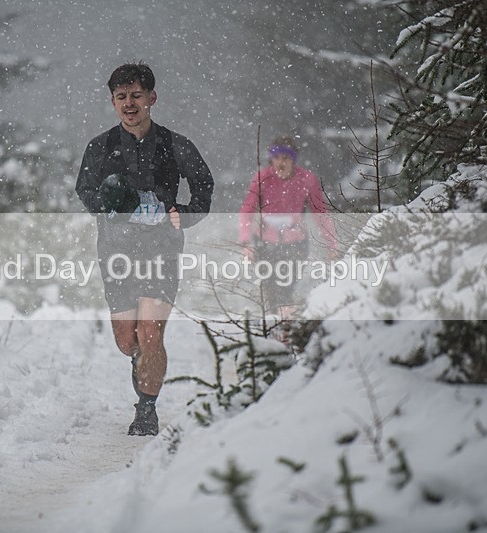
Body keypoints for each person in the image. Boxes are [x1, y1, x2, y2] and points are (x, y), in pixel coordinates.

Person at [75, 62, 214, 436]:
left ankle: (147, 409)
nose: (129, 103)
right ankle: (142, 363)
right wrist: (111, 206)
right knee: (128, 340)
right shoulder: (100, 147)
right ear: (113, 102)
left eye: (136, 95)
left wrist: (183, 215)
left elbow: (204, 185)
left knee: (151, 334)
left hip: (161, 249)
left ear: (152, 98)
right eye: (121, 97)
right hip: (116, 252)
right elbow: (84, 191)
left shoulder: (174, 144)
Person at [238, 134, 337, 323]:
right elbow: (246, 211)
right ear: (270, 159)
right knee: (270, 291)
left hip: (296, 243)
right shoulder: (262, 178)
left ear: (293, 159)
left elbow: (320, 213)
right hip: (265, 242)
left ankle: (285, 329)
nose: (280, 163)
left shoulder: (307, 179)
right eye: (276, 158)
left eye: (285, 158)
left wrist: (332, 245)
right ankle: (275, 328)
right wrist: (246, 243)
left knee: (286, 288)